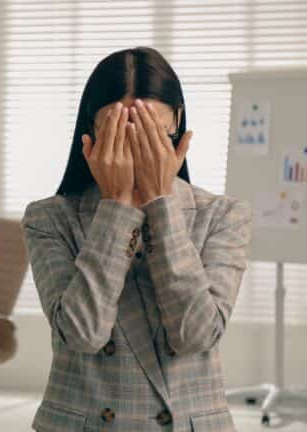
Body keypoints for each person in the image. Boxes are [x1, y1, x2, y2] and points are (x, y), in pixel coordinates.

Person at [22, 47, 252, 431]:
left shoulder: (223, 215)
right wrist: (116, 207)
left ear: (177, 124)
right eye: (119, 135)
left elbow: (196, 334)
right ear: (91, 134)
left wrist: (160, 205)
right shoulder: (49, 217)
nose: (136, 151)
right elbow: (82, 333)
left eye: (151, 134)